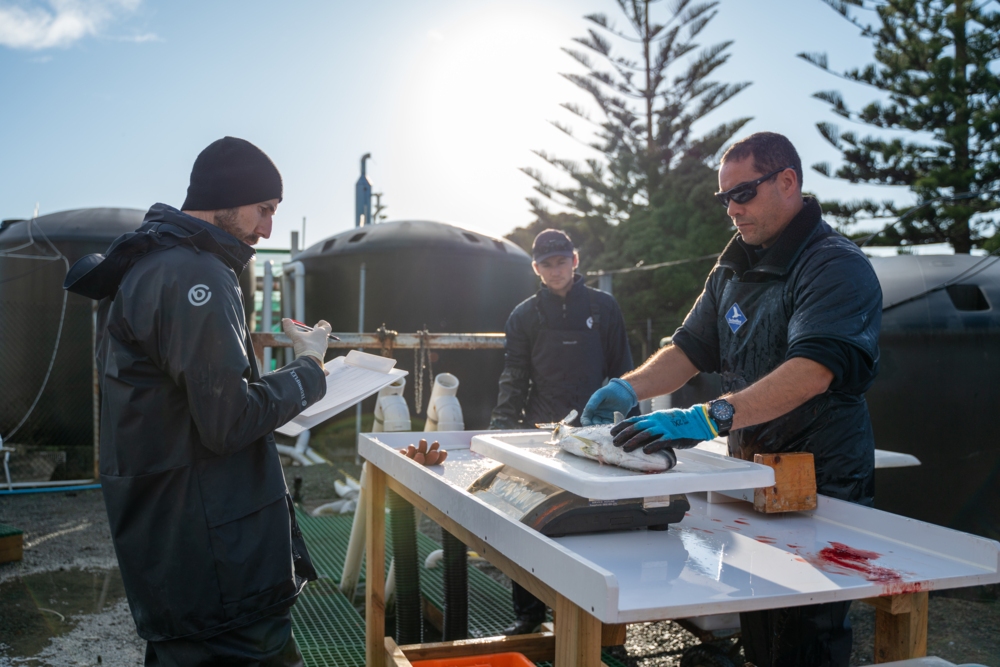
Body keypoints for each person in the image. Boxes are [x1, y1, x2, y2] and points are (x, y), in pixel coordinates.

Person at [581, 132, 882, 667]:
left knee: (806, 632)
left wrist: (708, 416)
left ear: (787, 182)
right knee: (758, 616)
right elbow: (690, 348)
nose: (733, 210)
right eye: (725, 199)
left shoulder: (834, 264)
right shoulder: (731, 267)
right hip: (750, 476)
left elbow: (812, 371)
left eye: (742, 193)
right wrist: (629, 387)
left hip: (821, 479)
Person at [64, 137, 333, 667]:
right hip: (216, 558)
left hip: (176, 541)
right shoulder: (194, 273)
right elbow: (227, 421)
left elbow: (196, 403)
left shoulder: (153, 263)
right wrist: (308, 371)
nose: (266, 230)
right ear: (226, 198)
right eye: (264, 209)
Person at [490, 228, 634, 635]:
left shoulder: (604, 308)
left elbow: (622, 373)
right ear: (536, 269)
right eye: (546, 264)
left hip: (598, 432)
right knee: (531, 520)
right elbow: (513, 377)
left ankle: (601, 619)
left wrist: (631, 434)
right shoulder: (523, 315)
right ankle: (530, 615)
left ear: (575, 260)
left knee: (600, 521)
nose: (556, 270)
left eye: (562, 261)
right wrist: (501, 431)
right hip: (542, 432)